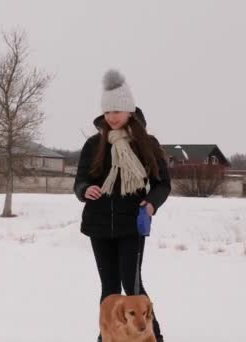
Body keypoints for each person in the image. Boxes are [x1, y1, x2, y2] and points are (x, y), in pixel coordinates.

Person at [73, 69, 171, 342]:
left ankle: (155, 338)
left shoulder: (146, 144)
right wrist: (84, 190)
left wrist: (151, 204)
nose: (112, 117)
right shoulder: (94, 144)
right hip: (99, 224)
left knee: (133, 285)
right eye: (107, 112)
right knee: (110, 288)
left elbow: (163, 184)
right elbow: (80, 180)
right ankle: (108, 338)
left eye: (117, 111)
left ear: (129, 110)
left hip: (131, 224)